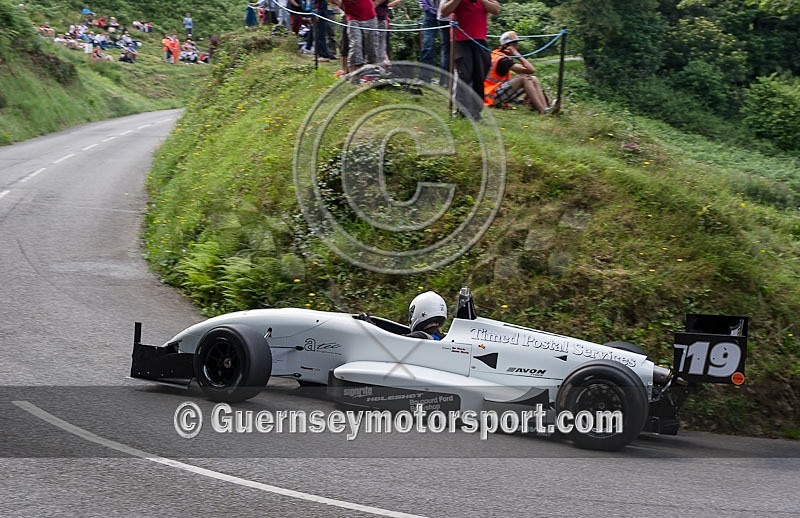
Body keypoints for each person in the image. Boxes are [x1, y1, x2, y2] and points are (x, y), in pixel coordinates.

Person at [439, 0, 500, 120]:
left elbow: (496, 9)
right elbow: (443, 12)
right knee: (464, 75)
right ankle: (462, 111)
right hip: (460, 40)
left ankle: (475, 112)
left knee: (479, 76)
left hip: (480, 39)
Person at [484, 31, 550, 113]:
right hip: (490, 95)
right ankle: (542, 110)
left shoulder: (499, 54)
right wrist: (517, 54)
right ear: (506, 46)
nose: (517, 47)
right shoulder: (503, 60)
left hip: (494, 91)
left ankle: (546, 109)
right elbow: (531, 70)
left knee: (534, 79)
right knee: (524, 78)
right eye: (515, 44)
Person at [331, 0, 379, 74]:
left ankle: (372, 73)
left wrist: (376, 3)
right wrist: (341, 5)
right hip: (353, 18)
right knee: (356, 45)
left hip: (370, 16)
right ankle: (354, 73)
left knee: (372, 47)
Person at [418, 0, 450, 85]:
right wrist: (427, 8)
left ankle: (444, 80)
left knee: (446, 48)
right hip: (430, 14)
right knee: (427, 45)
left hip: (445, 16)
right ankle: (425, 78)